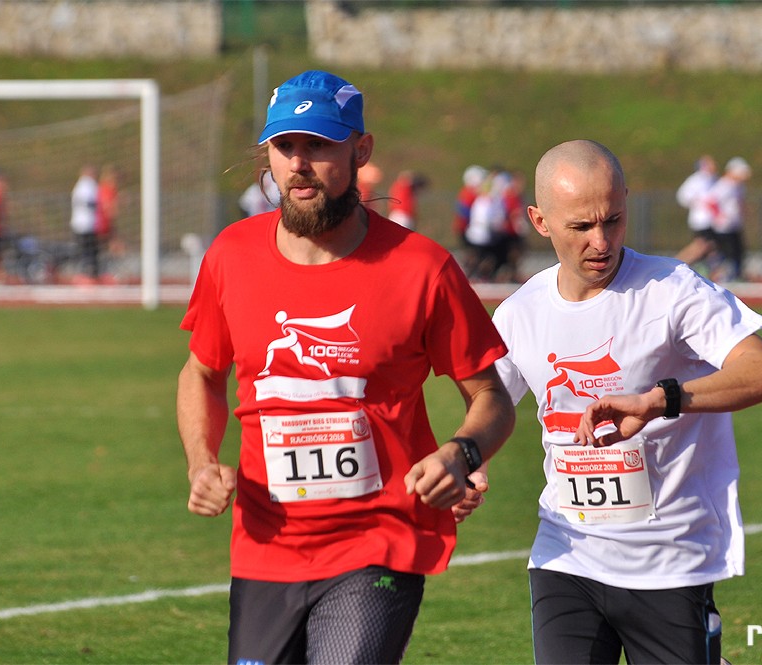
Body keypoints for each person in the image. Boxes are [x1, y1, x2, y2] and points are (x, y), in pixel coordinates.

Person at [176, 70, 515, 665]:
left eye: (319, 145)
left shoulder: (421, 268)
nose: (298, 164)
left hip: (380, 539)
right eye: (284, 146)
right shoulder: (230, 256)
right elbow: (201, 372)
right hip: (265, 544)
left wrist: (460, 454)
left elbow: (491, 396)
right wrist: (201, 462)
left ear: (361, 150)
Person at [491, 140, 762, 665]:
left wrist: (660, 400)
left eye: (613, 220)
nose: (601, 241)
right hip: (567, 554)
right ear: (540, 221)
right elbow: (490, 403)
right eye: (580, 227)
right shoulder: (521, 312)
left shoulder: (673, 290)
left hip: (670, 560)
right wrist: (469, 459)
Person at [706, 156, 751, 282]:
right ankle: (719, 275)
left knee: (738, 251)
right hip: (724, 226)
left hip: (735, 224)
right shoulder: (724, 185)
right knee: (725, 252)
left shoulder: (738, 186)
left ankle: (736, 275)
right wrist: (719, 216)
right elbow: (711, 201)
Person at [673, 155, 718, 270]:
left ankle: (706, 269)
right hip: (701, 219)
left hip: (712, 220)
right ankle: (676, 264)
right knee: (701, 246)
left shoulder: (713, 179)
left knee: (709, 246)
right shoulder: (696, 179)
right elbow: (683, 196)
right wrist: (698, 203)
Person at [70, 164, 100, 279]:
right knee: (90, 252)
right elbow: (92, 202)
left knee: (84, 251)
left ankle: (85, 272)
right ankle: (89, 274)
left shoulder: (79, 185)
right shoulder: (88, 184)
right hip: (87, 224)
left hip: (79, 224)